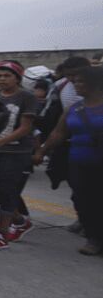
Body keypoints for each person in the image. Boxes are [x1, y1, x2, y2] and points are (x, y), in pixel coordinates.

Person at [35, 65, 103, 254]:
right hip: (79, 162)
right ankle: (94, 237)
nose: (76, 85)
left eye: (81, 82)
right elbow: (58, 133)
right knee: (83, 200)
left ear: (96, 84)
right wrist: (42, 151)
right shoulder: (74, 108)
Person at [0, 60, 38, 250]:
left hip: (16, 151)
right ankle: (20, 220)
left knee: (7, 189)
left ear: (17, 78)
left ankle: (1, 234)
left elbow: (25, 128)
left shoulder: (26, 97)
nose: (2, 79)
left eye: (7, 75)